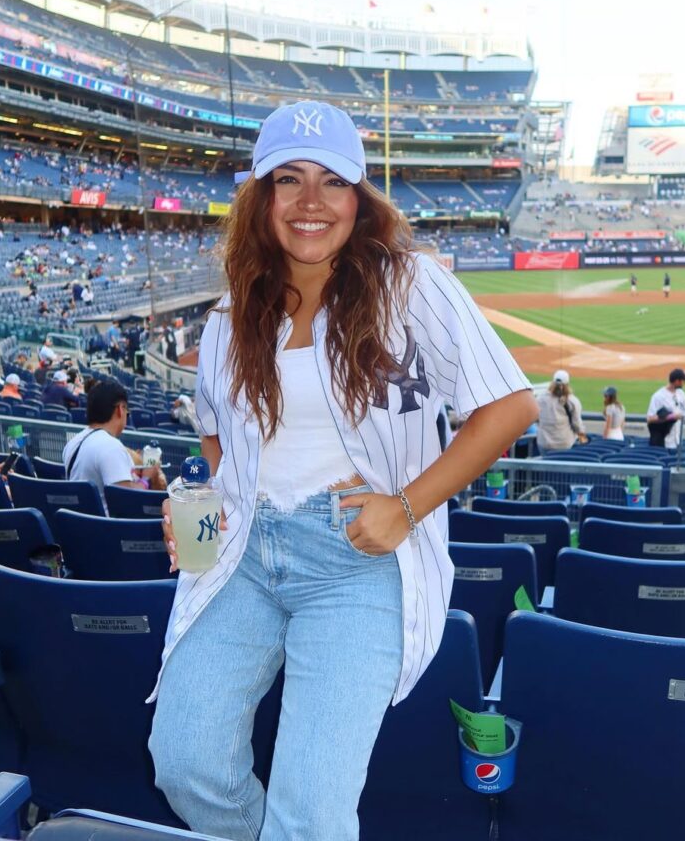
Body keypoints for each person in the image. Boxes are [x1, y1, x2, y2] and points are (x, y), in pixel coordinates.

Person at [149, 100, 536, 841]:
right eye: (287, 179)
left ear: (360, 198)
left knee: (313, 815)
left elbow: (508, 407)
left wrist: (406, 505)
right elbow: (214, 437)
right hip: (240, 558)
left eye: (332, 181)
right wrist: (206, 509)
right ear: (259, 197)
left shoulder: (409, 285)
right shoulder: (232, 316)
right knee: (184, 762)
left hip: (355, 559)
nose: (309, 201)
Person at [61, 379, 167, 501]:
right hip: (104, 519)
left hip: (80, 519)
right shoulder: (110, 446)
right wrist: (147, 478)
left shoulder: (72, 443)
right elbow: (128, 498)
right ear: (120, 410)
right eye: (127, 412)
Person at [647, 368, 685, 449]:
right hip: (664, 441)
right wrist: (671, 417)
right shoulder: (658, 396)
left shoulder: (681, 394)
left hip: (678, 441)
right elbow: (650, 418)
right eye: (683, 381)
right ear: (677, 381)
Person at [536, 370, 586, 452]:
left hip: (544, 443)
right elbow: (577, 424)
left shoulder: (540, 398)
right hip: (564, 444)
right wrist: (582, 434)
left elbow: (536, 418)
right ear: (567, 384)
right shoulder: (572, 401)